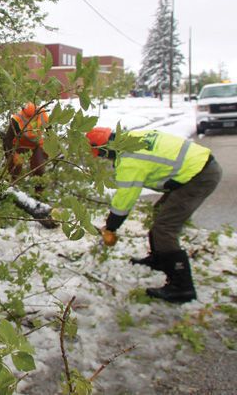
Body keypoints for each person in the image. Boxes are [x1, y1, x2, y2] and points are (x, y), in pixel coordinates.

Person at [86, 127, 221, 303]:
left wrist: (111, 227)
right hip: (197, 167)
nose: (105, 159)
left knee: (164, 228)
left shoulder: (129, 160)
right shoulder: (133, 136)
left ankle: (182, 287)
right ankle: (159, 258)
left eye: (102, 154)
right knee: (160, 213)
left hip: (199, 176)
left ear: (106, 148)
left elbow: (124, 200)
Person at [2, 102, 49, 186]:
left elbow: (50, 130)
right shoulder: (16, 119)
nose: (31, 118)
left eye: (34, 116)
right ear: (23, 111)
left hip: (37, 144)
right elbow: (7, 139)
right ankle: (8, 185)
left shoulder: (42, 114)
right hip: (20, 144)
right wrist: (12, 154)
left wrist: (50, 147)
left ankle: (38, 191)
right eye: (28, 116)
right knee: (16, 166)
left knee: (39, 169)